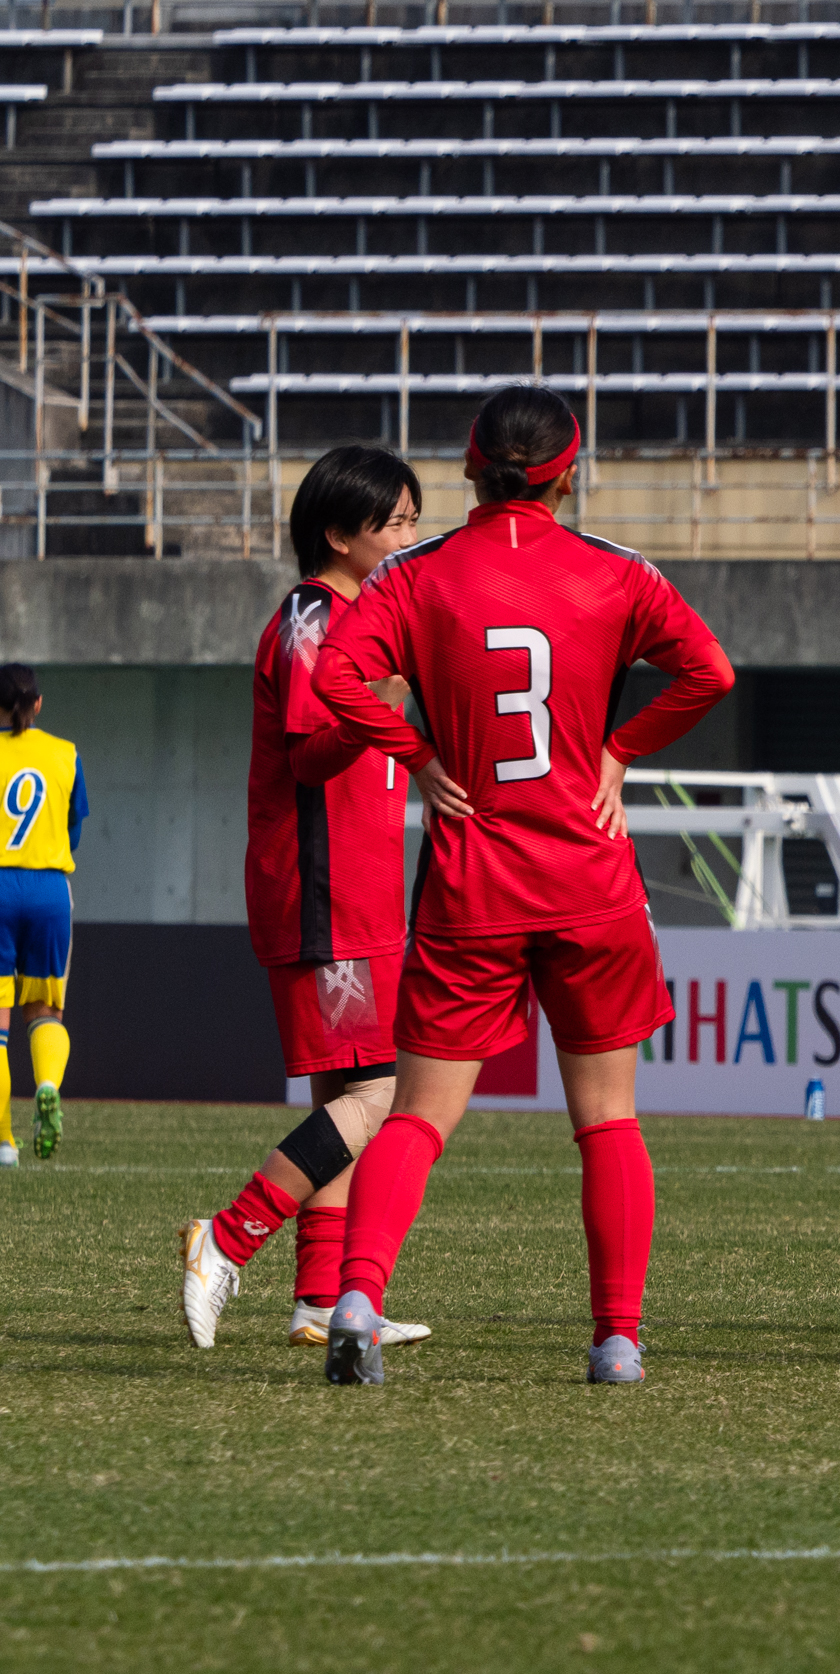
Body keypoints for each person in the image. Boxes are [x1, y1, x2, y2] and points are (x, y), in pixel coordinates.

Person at [307, 387, 734, 1386]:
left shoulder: (416, 575)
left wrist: (414, 755)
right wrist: (620, 752)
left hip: (471, 883)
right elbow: (707, 673)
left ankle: (359, 1296)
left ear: (468, 465)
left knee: (417, 1114)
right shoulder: (615, 573)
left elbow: (331, 676)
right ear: (569, 471)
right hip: (588, 877)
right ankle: (617, 1340)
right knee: (608, 1119)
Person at [182, 448, 437, 1351]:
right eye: (396, 521)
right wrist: (383, 710)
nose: (412, 534)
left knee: (344, 1092)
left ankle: (320, 1304)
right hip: (323, 891)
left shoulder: (362, 618)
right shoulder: (310, 617)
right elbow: (306, 751)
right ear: (339, 534)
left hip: (354, 892)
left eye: (414, 517)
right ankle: (230, 1233)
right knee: (383, 1089)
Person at [0, 665, 85, 1165]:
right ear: (38, 704)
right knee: (46, 1013)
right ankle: (47, 1084)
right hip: (49, 887)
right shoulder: (65, 753)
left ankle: (4, 1145)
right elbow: (73, 829)